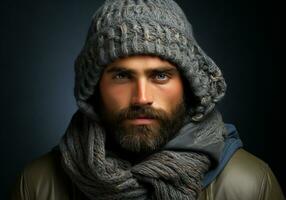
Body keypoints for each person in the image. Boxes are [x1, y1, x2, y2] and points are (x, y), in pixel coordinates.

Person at [11, 0, 284, 199]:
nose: (141, 98)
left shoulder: (249, 185)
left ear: (188, 85)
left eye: (161, 76)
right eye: (121, 76)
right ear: (94, 88)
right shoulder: (38, 184)